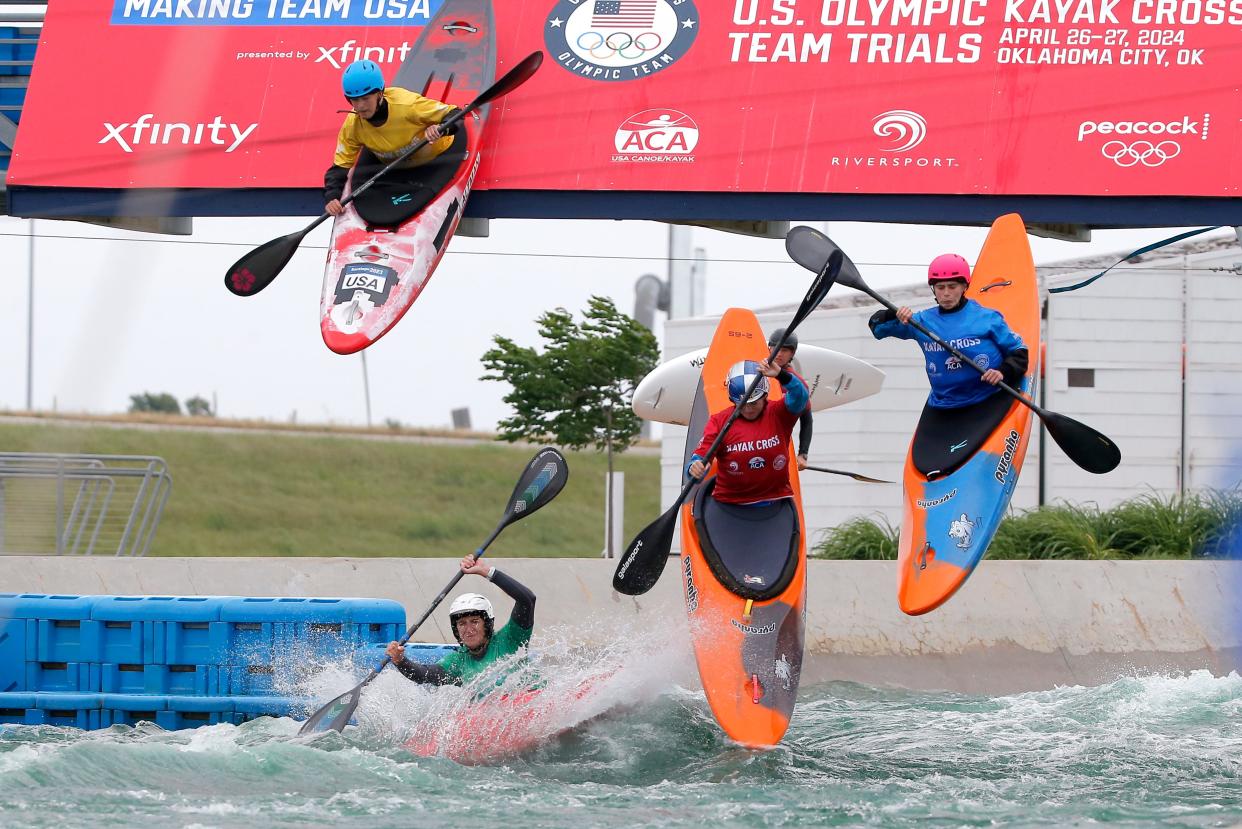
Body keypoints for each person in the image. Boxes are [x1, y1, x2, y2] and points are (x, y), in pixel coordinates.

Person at [868, 253, 1029, 408]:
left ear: (964, 286)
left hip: (989, 397)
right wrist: (893, 313)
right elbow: (876, 328)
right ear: (933, 289)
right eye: (940, 287)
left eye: (952, 286)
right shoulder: (921, 321)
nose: (946, 293)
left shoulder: (987, 318)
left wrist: (1002, 372)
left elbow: (1019, 351)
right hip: (944, 404)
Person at [323, 59, 461, 217]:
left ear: (380, 93)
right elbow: (339, 168)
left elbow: (455, 113)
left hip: (435, 160)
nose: (360, 106)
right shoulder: (352, 126)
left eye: (366, 98)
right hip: (395, 167)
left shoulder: (407, 106)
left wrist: (441, 128)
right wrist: (332, 197)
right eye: (355, 100)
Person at [385, 554, 535, 686]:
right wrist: (400, 661)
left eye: (475, 621)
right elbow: (425, 675)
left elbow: (527, 600)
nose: (468, 629)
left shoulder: (511, 639)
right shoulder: (458, 662)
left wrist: (487, 572)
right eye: (462, 623)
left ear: (487, 624)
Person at [687, 358, 809, 505]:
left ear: (764, 395)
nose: (748, 408)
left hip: (775, 501)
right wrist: (695, 467)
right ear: (733, 400)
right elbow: (700, 455)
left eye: (754, 403)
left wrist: (781, 375)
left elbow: (801, 397)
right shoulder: (719, 421)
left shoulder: (780, 412)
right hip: (730, 504)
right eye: (743, 403)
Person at [767, 327, 813, 471]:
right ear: (769, 348)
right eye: (777, 348)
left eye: (785, 350)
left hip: (776, 448)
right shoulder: (754, 371)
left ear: (792, 353)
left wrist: (802, 454)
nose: (779, 354)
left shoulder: (798, 384)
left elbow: (807, 419)